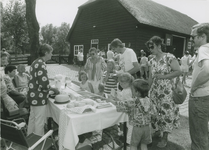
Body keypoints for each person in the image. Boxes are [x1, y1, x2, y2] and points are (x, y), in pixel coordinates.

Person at [146, 36, 181, 148]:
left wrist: (163, 76)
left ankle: (165, 137)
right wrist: (147, 90)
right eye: (149, 47)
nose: (150, 49)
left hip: (167, 92)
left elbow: (178, 72)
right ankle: (157, 131)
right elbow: (150, 77)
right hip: (154, 92)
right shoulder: (151, 61)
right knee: (154, 113)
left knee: (166, 113)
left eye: (152, 46)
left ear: (159, 45)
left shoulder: (169, 57)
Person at [115, 79, 152, 150]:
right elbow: (153, 112)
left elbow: (121, 106)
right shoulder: (149, 100)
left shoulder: (133, 102)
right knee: (144, 145)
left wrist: (113, 101)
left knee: (133, 145)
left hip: (136, 128)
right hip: (147, 127)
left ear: (137, 92)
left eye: (133, 90)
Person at [189, 23, 209, 150]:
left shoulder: (203, 48)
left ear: (202, 37)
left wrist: (194, 87)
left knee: (198, 135)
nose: (191, 39)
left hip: (200, 97)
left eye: (193, 37)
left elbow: (207, 70)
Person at [27, 44, 53, 136]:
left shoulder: (35, 62)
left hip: (33, 95)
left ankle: (29, 139)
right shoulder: (41, 64)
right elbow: (44, 84)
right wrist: (52, 89)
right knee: (39, 121)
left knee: (32, 118)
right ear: (46, 53)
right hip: (39, 97)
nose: (51, 55)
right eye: (51, 53)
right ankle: (39, 143)